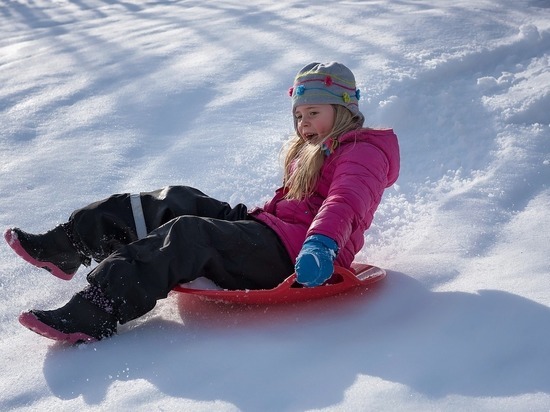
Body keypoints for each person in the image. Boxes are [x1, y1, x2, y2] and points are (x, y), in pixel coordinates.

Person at [4, 62, 400, 344]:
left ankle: (96, 310)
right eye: (298, 115)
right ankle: (68, 245)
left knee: (188, 233)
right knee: (177, 200)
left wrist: (321, 246)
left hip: (299, 254)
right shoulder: (316, 149)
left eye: (313, 112)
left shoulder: (362, 152)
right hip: (272, 232)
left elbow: (344, 202)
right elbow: (291, 206)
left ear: (344, 109)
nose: (303, 124)